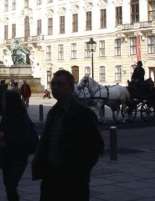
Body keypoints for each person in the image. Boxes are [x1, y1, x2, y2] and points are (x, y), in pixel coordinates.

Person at [32, 70, 104, 201]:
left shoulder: (83, 113)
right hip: (51, 179)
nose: (55, 87)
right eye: (53, 84)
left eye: (60, 84)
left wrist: (79, 171)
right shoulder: (53, 112)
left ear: (71, 87)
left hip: (73, 182)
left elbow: (96, 146)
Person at [0, 90, 37, 201]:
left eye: (4, 99)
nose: (2, 101)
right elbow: (0, 132)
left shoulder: (22, 117)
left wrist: (5, 139)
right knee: (7, 183)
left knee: (11, 184)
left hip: (19, 155)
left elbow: (23, 137)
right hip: (7, 154)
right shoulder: (6, 115)